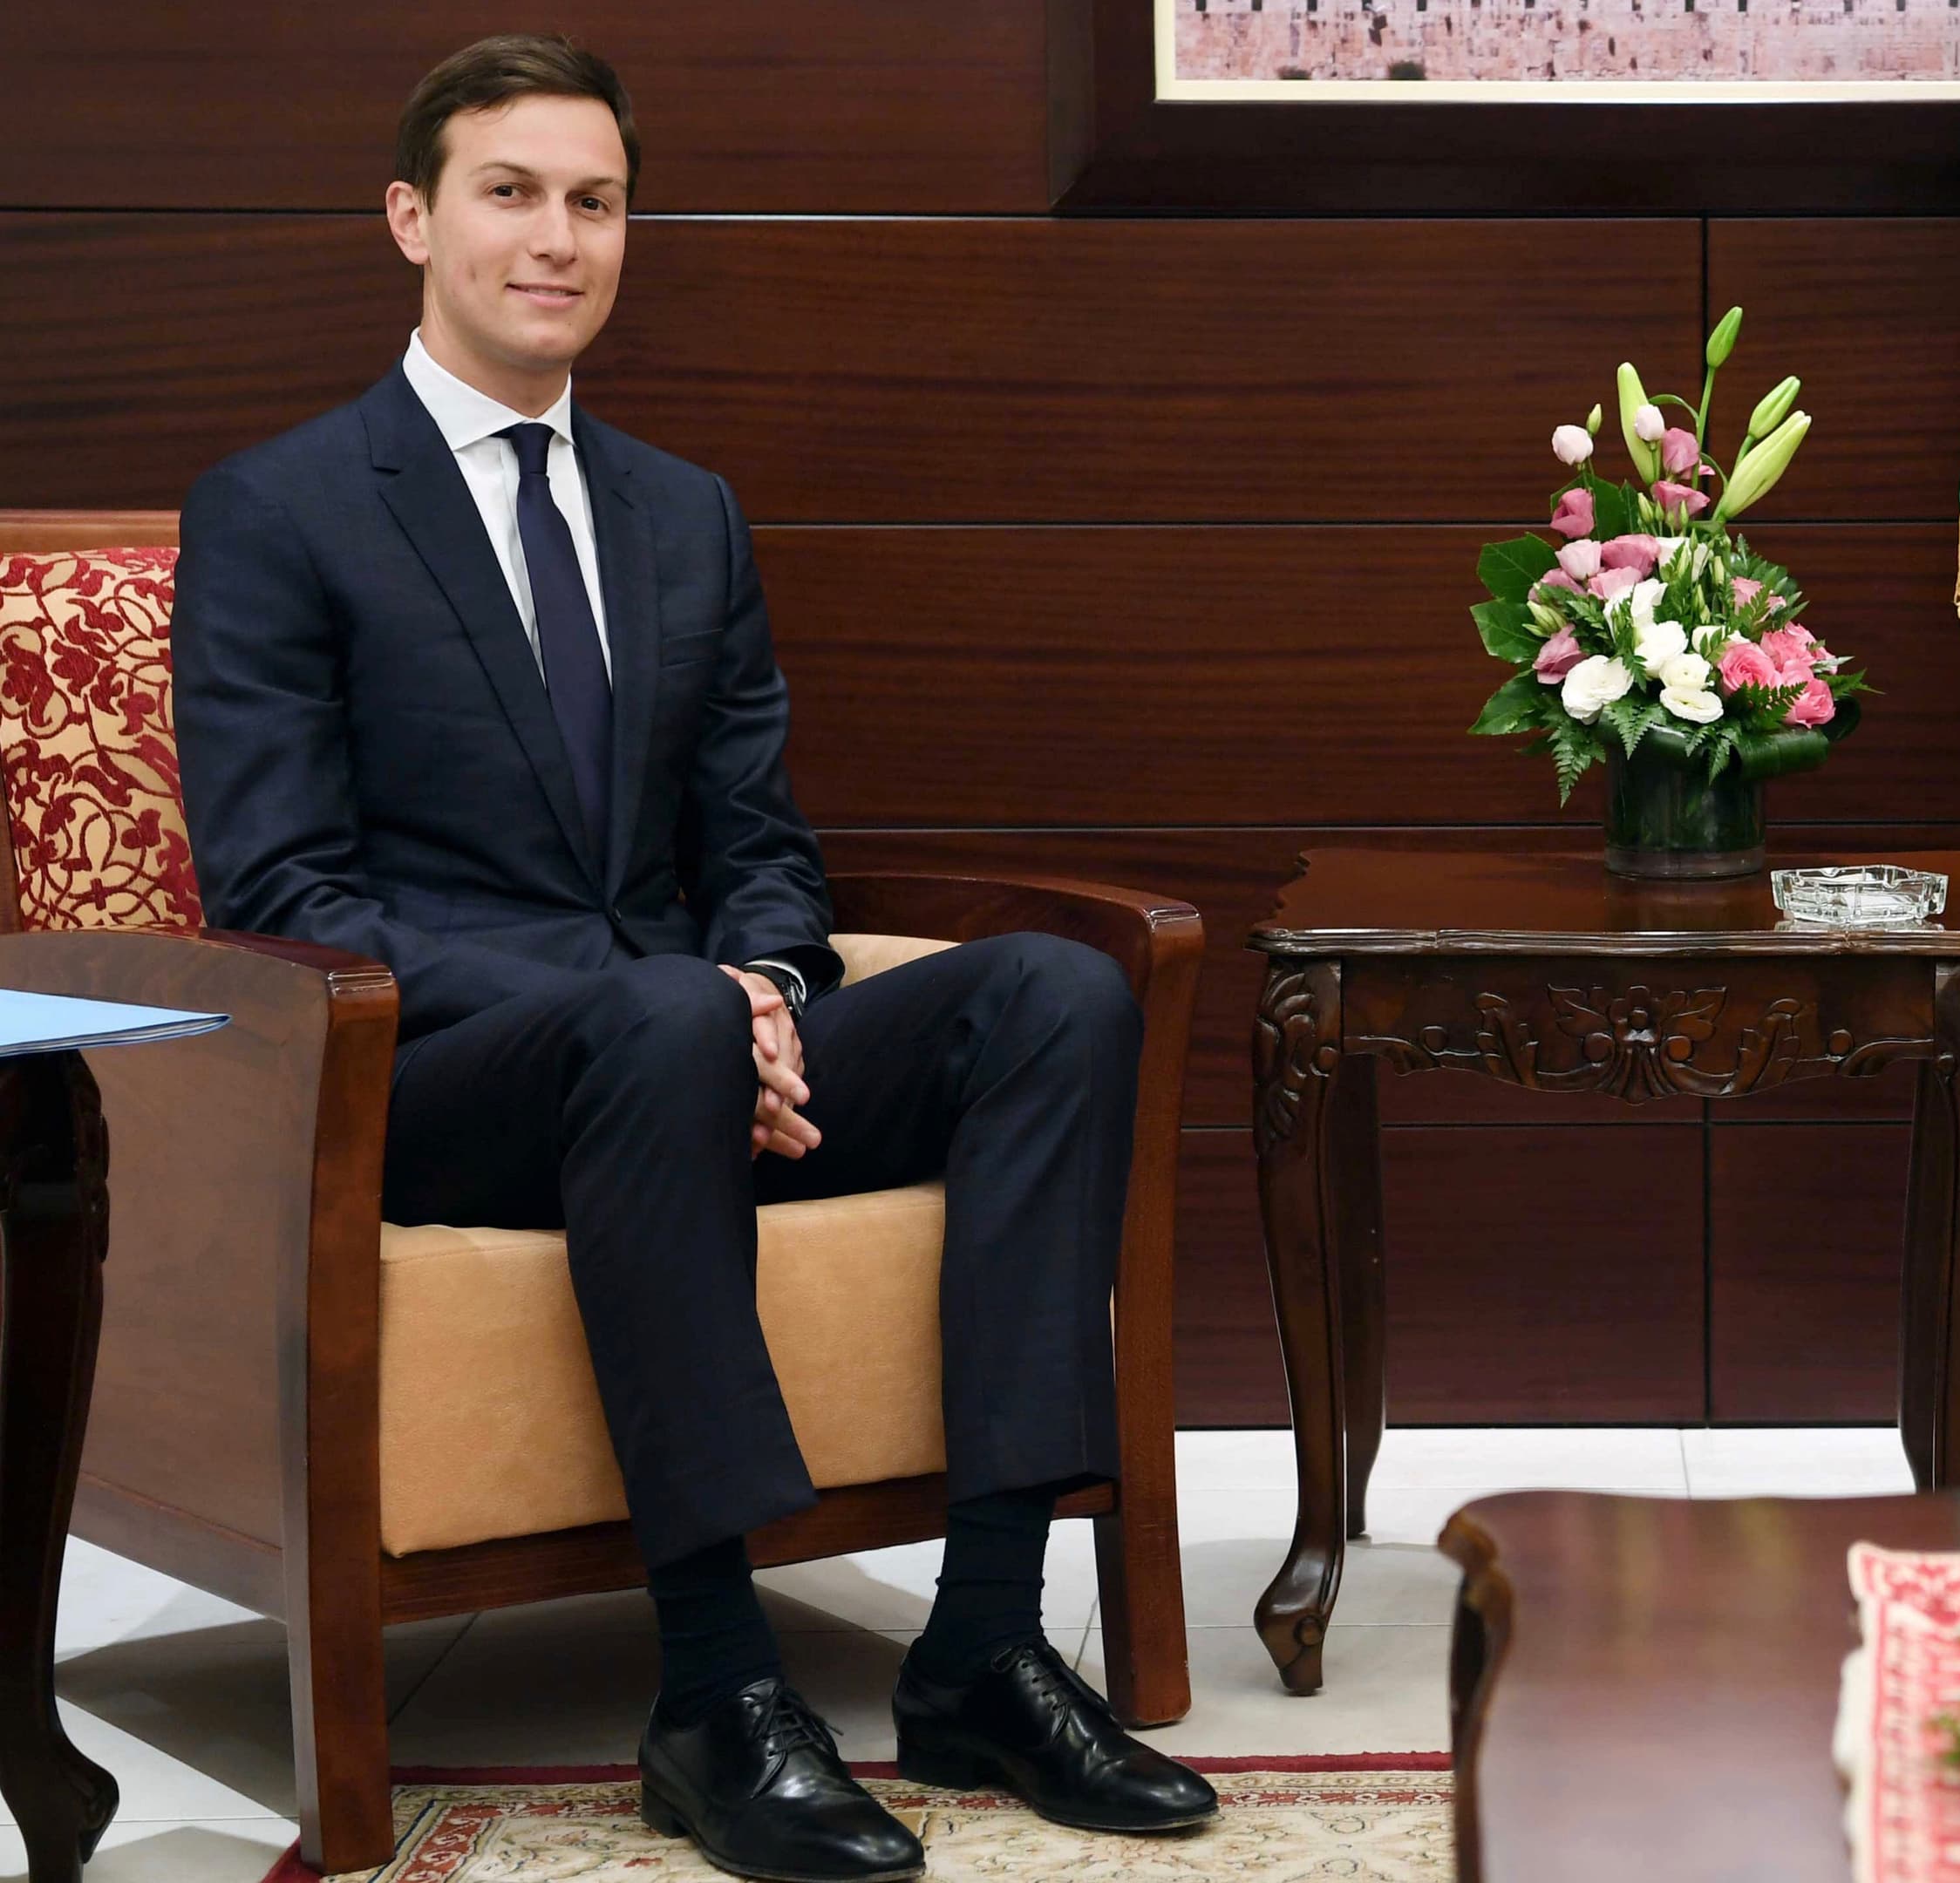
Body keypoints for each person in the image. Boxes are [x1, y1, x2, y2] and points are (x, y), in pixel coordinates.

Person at [171, 36, 1215, 1880]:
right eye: (510, 193)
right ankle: (719, 1693)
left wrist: (778, 998)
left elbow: (757, 846)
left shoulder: (683, 513)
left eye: (595, 202)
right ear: (412, 217)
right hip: (435, 1081)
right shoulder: (282, 506)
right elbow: (285, 893)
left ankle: (983, 1647)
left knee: (1054, 989)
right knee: (659, 1011)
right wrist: (663, 1005)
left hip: (694, 1053)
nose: (556, 238)